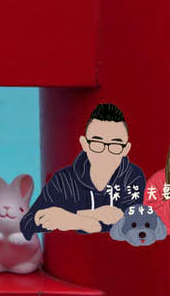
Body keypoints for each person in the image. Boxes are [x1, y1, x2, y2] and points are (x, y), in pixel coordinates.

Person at [20, 102, 145, 240]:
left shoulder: (132, 177)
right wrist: (84, 220)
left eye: (115, 145)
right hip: (70, 253)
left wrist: (73, 218)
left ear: (126, 149)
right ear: (85, 144)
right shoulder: (63, 180)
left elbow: (135, 224)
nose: (106, 152)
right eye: (97, 143)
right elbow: (27, 224)